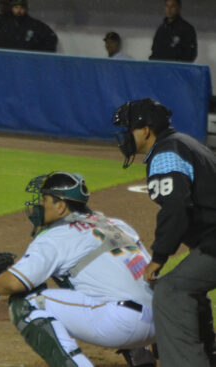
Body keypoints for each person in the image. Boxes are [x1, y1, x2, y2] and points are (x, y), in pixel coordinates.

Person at [0, 172, 157, 367]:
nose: (39, 205)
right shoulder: (116, 224)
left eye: (44, 200)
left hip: (120, 324)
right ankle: (142, 361)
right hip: (160, 319)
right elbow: (151, 274)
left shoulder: (57, 235)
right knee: (101, 284)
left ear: (60, 206)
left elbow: (15, 282)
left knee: (26, 303)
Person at [113, 98, 216, 366]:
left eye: (128, 130)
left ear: (145, 130)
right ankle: (208, 354)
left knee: (170, 292)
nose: (125, 137)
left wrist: (159, 257)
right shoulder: (184, 142)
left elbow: (175, 209)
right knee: (188, 285)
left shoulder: (165, 153)